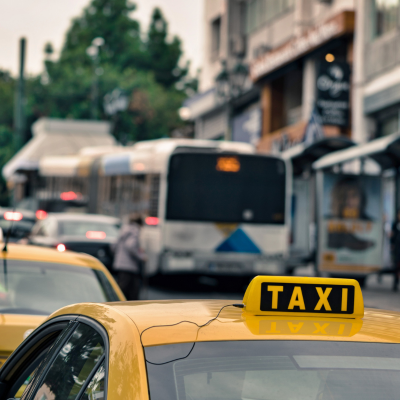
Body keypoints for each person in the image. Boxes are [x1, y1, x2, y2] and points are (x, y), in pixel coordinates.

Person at [113, 213, 146, 300]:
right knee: (131, 289)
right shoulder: (134, 231)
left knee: (122, 287)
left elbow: (114, 246)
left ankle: (118, 302)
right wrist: (141, 256)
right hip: (129, 265)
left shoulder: (124, 230)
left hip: (121, 263)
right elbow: (131, 246)